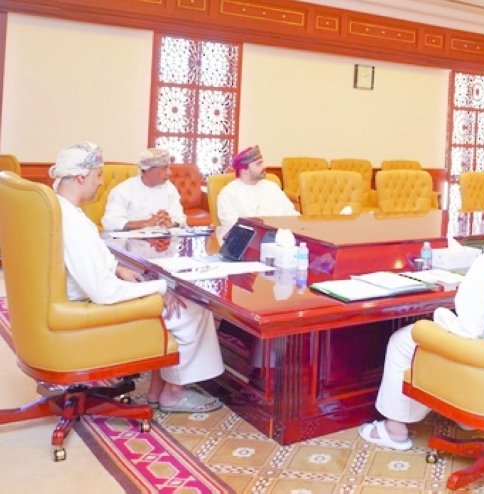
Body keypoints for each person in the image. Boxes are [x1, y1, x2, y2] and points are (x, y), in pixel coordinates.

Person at [358, 178, 484, 450]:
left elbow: (468, 329)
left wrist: (438, 317)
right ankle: (468, 415)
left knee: (404, 340)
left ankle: (395, 429)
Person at [50, 142, 224, 413]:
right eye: (98, 175)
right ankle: (173, 394)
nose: (101, 182)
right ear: (81, 177)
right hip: (89, 306)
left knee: (176, 300)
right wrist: (159, 288)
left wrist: (117, 268)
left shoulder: (62, 209)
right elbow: (103, 291)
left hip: (84, 294)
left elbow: (92, 259)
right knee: (192, 308)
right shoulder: (73, 221)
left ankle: (156, 389)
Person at [216, 145, 298, 239]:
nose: (264, 166)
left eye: (262, 162)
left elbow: (292, 216)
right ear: (244, 170)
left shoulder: (272, 188)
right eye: (259, 164)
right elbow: (232, 228)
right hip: (243, 243)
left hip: (278, 241)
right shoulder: (229, 193)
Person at [101, 148, 186, 231]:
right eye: (164, 168)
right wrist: (146, 223)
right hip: (131, 239)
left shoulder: (169, 187)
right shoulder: (123, 190)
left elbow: (180, 219)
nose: (169, 173)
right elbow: (110, 222)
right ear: (149, 169)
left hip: (164, 239)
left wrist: (171, 223)